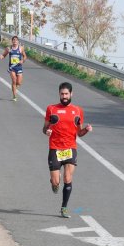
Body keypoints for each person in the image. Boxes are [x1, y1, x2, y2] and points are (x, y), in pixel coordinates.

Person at [43, 82, 92, 219]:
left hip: (70, 148)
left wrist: (86, 130)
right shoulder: (51, 109)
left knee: (68, 178)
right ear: (59, 94)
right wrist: (46, 131)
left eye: (66, 94)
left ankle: (64, 208)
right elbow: (44, 128)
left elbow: (79, 133)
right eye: (62, 94)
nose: (64, 96)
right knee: (56, 181)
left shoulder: (77, 111)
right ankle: (54, 183)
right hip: (55, 148)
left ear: (71, 94)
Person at [0, 36, 27, 101]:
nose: (15, 41)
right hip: (12, 67)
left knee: (19, 82)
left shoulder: (21, 48)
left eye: (16, 40)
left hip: (19, 67)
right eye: (13, 40)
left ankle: (15, 87)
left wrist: (23, 60)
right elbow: (3, 55)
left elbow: (25, 56)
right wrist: (1, 56)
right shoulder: (9, 49)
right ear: (12, 41)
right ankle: (14, 96)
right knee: (14, 81)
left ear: (18, 41)